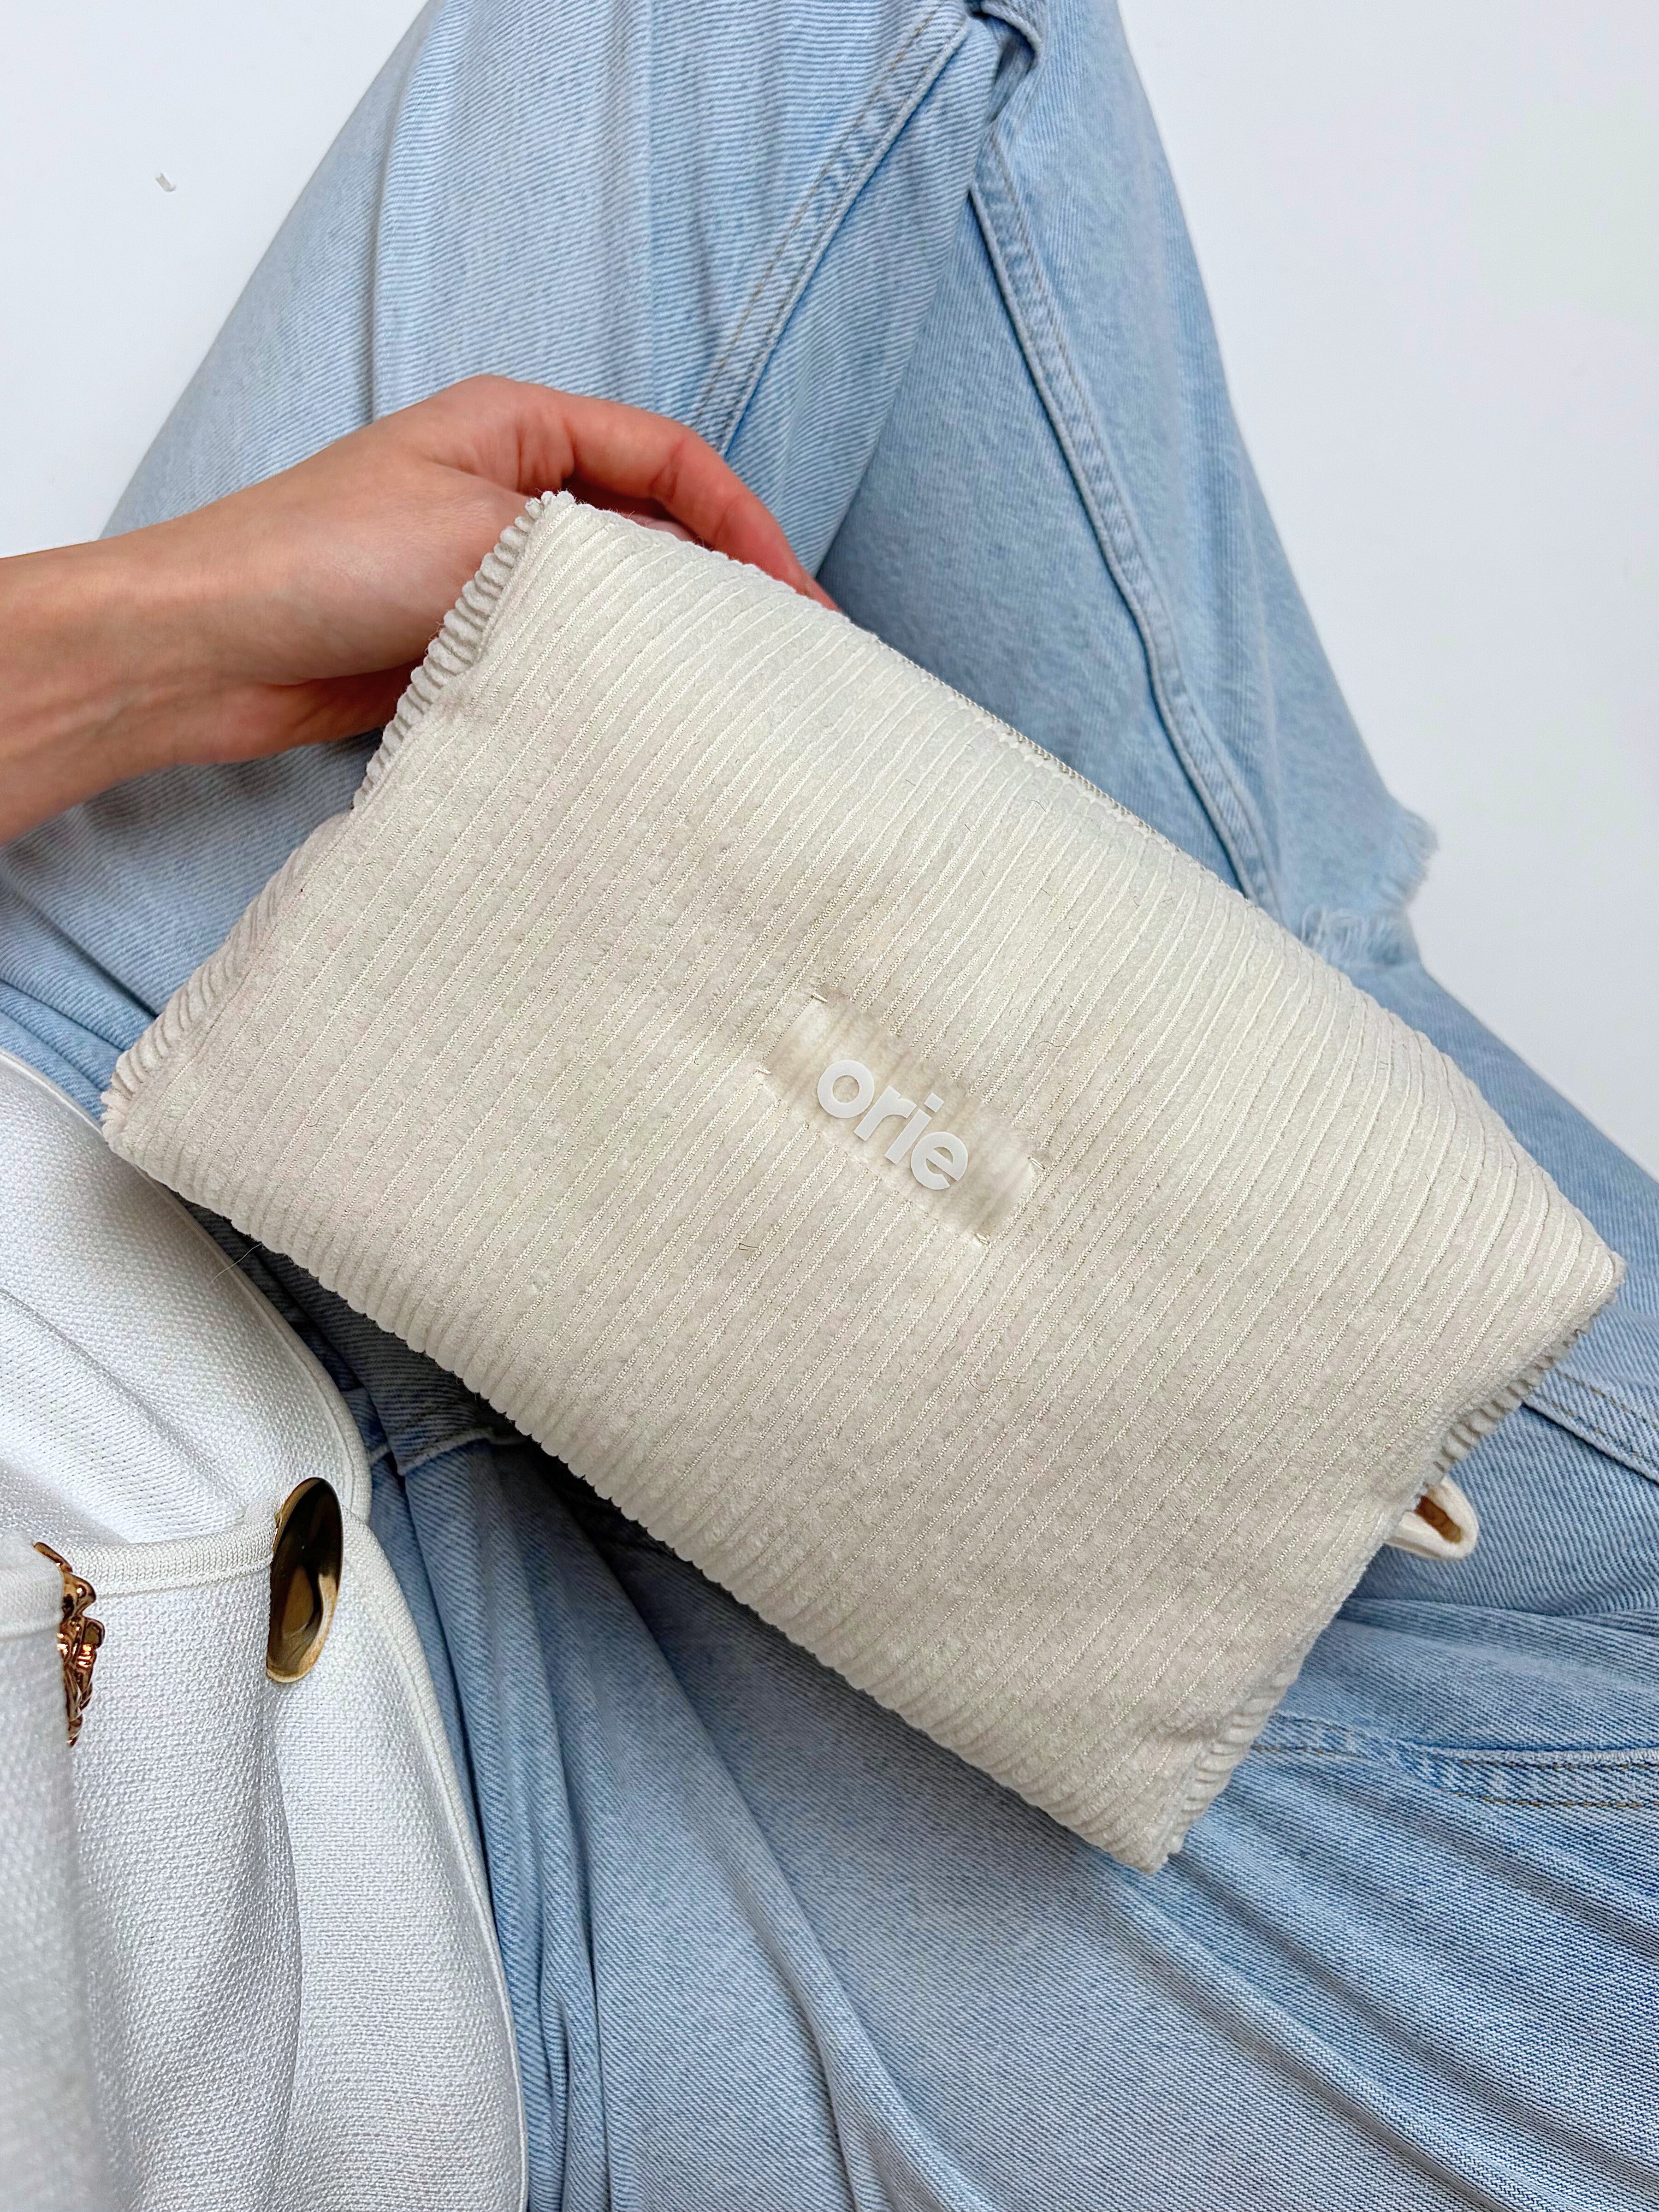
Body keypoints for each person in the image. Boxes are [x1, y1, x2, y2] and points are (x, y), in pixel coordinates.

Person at [3, 0, 1657, 2203]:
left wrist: (162, 644)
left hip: (175, 1112)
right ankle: (1263, 1014)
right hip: (564, 1968)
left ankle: (1256, 1010)